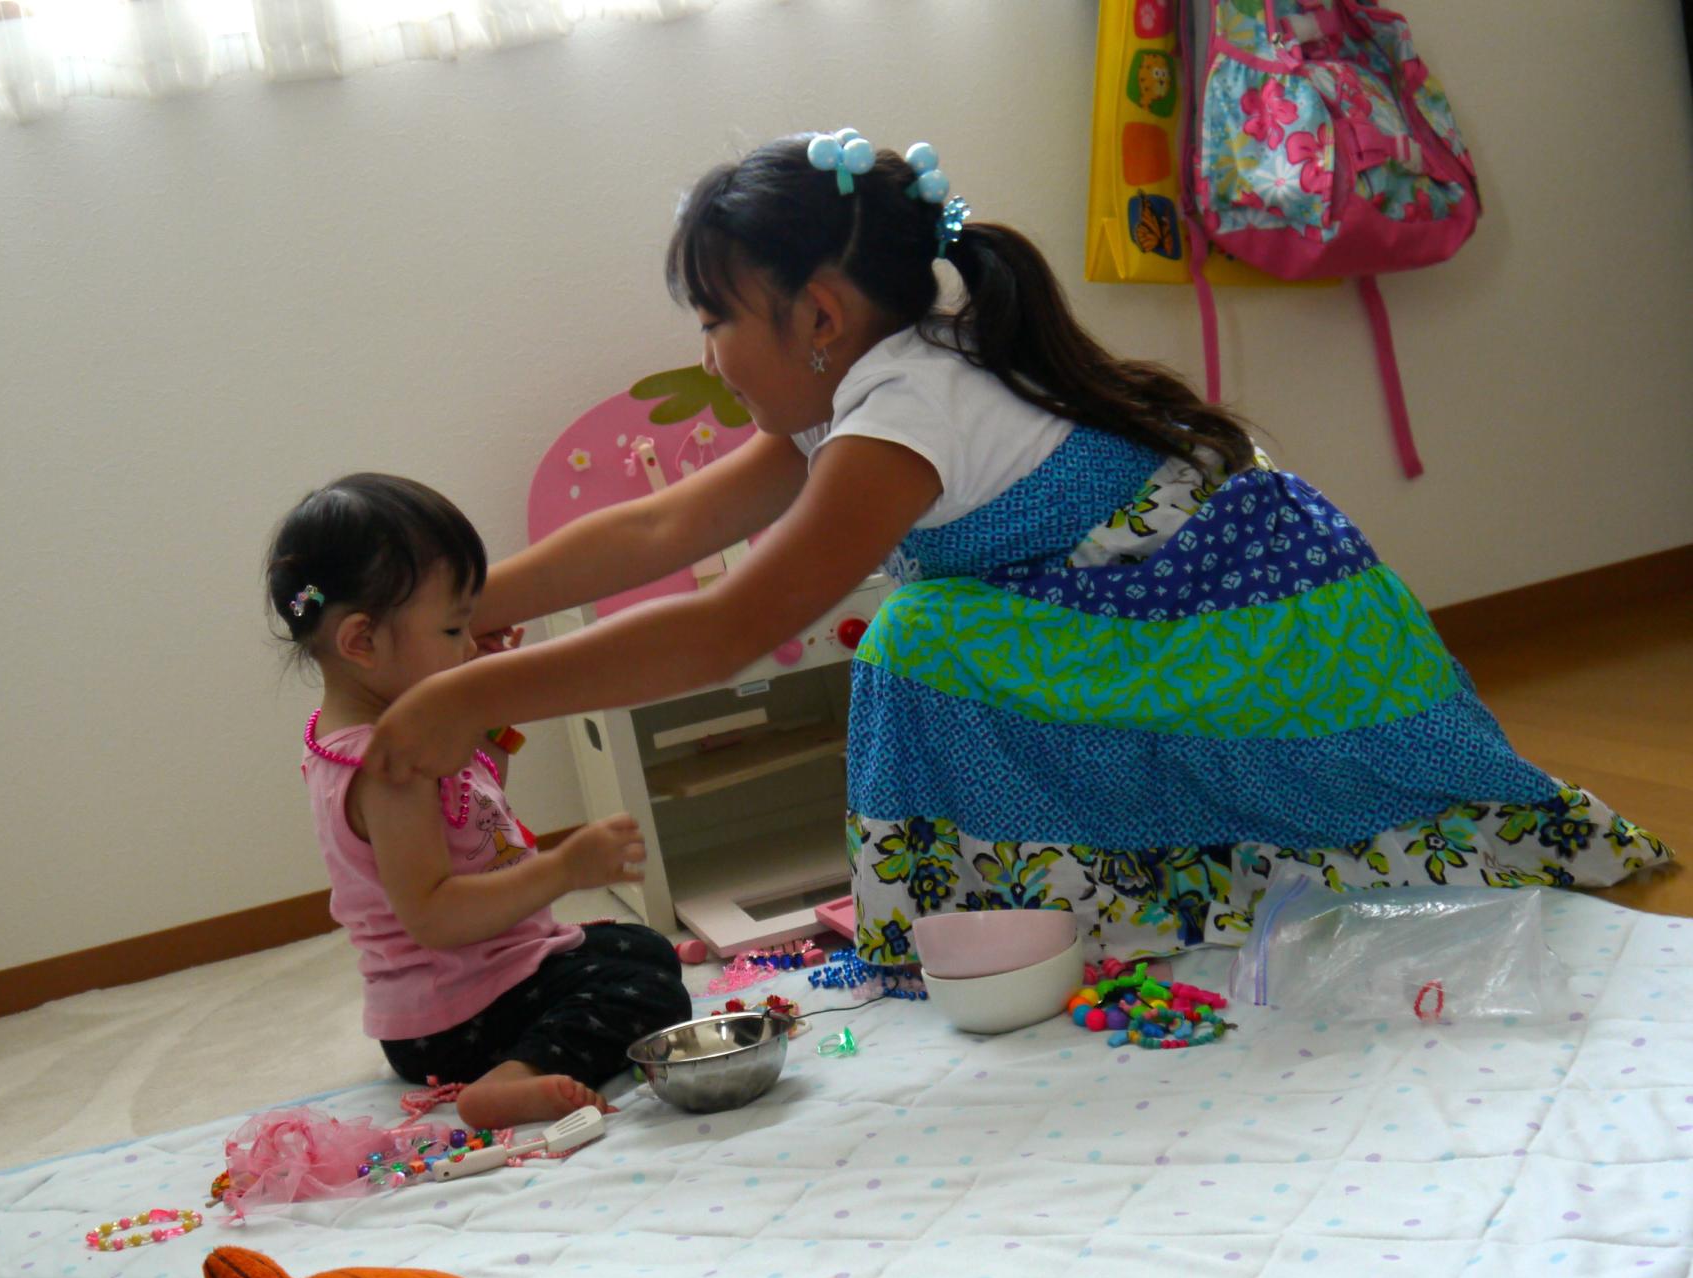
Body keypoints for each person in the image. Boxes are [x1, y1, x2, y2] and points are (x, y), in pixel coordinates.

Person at [359, 129, 1671, 966]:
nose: (707, 353)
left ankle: (1030, 907)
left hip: (1259, 633)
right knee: (934, 636)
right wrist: (468, 615)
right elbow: (663, 525)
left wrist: (469, 693)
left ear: (819, 316)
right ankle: (1049, 896)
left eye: (715, 319)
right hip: (1168, 617)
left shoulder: (899, 415)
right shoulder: (855, 395)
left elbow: (727, 625)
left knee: (918, 641)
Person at [265, 472, 691, 1127]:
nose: (470, 644)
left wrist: (490, 719)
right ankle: (510, 1080)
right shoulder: (392, 767)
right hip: (455, 1015)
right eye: (452, 629)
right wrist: (564, 868)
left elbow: (471, 811)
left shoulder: (394, 730)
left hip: (479, 979)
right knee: (646, 989)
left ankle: (522, 1055)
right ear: (361, 642)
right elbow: (434, 915)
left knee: (638, 948)